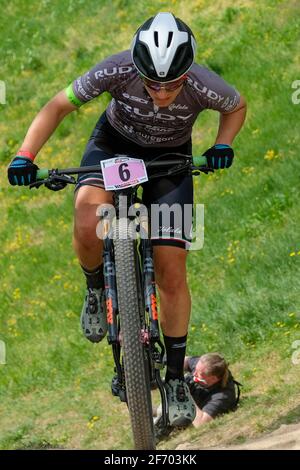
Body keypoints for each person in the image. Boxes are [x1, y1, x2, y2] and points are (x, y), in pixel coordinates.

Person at [7, 12, 247, 428]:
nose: (162, 92)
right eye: (152, 83)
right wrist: (26, 155)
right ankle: (96, 289)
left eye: (173, 83)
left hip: (169, 160)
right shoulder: (114, 69)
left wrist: (222, 144)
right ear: (136, 69)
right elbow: (58, 106)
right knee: (87, 221)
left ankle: (174, 379)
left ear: (188, 72)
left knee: (172, 270)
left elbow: (237, 106)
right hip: (112, 147)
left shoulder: (207, 84)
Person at [184, 353, 241, 427]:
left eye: (199, 374)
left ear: (213, 378)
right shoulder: (202, 366)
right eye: (195, 369)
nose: (194, 373)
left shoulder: (222, 396)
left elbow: (200, 424)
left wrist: (186, 396)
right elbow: (183, 361)